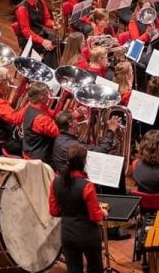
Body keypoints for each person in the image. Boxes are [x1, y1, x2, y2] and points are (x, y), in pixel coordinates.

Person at [49, 145, 106, 273]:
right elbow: (95, 216)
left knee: (74, 270)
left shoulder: (55, 183)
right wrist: (102, 213)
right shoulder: (87, 186)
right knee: (95, 268)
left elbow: (54, 211)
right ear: (83, 162)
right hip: (88, 235)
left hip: (67, 234)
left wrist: (68, 210)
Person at [14, 0, 57, 67]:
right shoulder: (22, 9)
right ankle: (46, 68)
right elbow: (26, 32)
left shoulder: (41, 2)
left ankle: (48, 66)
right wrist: (43, 41)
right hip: (28, 40)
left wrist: (54, 24)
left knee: (58, 42)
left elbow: (46, 20)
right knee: (51, 47)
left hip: (40, 33)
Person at [22, 82, 59, 164]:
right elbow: (58, 132)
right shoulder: (41, 119)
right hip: (38, 160)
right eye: (47, 94)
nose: (49, 97)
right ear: (42, 98)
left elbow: (50, 112)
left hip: (29, 151)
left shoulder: (30, 108)